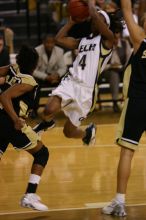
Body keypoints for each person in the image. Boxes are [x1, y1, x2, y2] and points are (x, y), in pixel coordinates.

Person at [40, 0, 114, 145]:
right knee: (48, 110)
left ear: (106, 24)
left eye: (100, 18)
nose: (95, 18)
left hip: (87, 91)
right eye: (95, 17)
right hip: (71, 82)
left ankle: (87, 133)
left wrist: (91, 4)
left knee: (68, 132)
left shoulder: (108, 40)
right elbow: (58, 39)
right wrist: (71, 22)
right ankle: (47, 123)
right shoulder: (82, 41)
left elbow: (93, 12)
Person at [102, 0, 146, 216]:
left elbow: (127, 9)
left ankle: (119, 201)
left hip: (138, 102)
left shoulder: (139, 41)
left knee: (127, 152)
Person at [0, 45, 49, 211]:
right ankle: (29, 195)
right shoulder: (29, 81)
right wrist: (15, 119)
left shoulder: (13, 69)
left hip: (2, 120)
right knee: (42, 153)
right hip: (10, 122)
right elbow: (5, 96)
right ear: (35, 65)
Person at [32, 34, 66, 117]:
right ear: (43, 42)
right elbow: (33, 70)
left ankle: (67, 109)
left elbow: (63, 68)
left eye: (51, 42)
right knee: (34, 86)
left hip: (54, 77)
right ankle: (34, 109)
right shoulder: (36, 50)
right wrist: (46, 77)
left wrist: (57, 75)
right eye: (47, 42)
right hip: (41, 77)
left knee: (66, 83)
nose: (49, 45)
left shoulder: (60, 51)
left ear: (54, 43)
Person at [98, 30, 131, 112]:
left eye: (117, 35)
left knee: (131, 73)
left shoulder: (125, 43)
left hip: (122, 69)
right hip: (108, 71)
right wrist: (110, 66)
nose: (116, 39)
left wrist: (123, 67)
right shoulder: (104, 45)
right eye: (114, 36)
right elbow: (100, 64)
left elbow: (129, 60)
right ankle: (115, 101)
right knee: (114, 74)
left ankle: (130, 101)